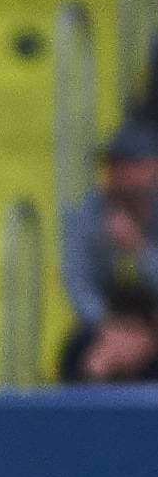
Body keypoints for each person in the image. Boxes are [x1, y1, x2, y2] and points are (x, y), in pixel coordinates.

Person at [61, 121, 158, 332]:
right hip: (105, 330)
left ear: (152, 168)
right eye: (111, 165)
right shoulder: (86, 215)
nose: (115, 175)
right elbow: (80, 288)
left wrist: (138, 247)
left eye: (125, 166)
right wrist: (113, 328)